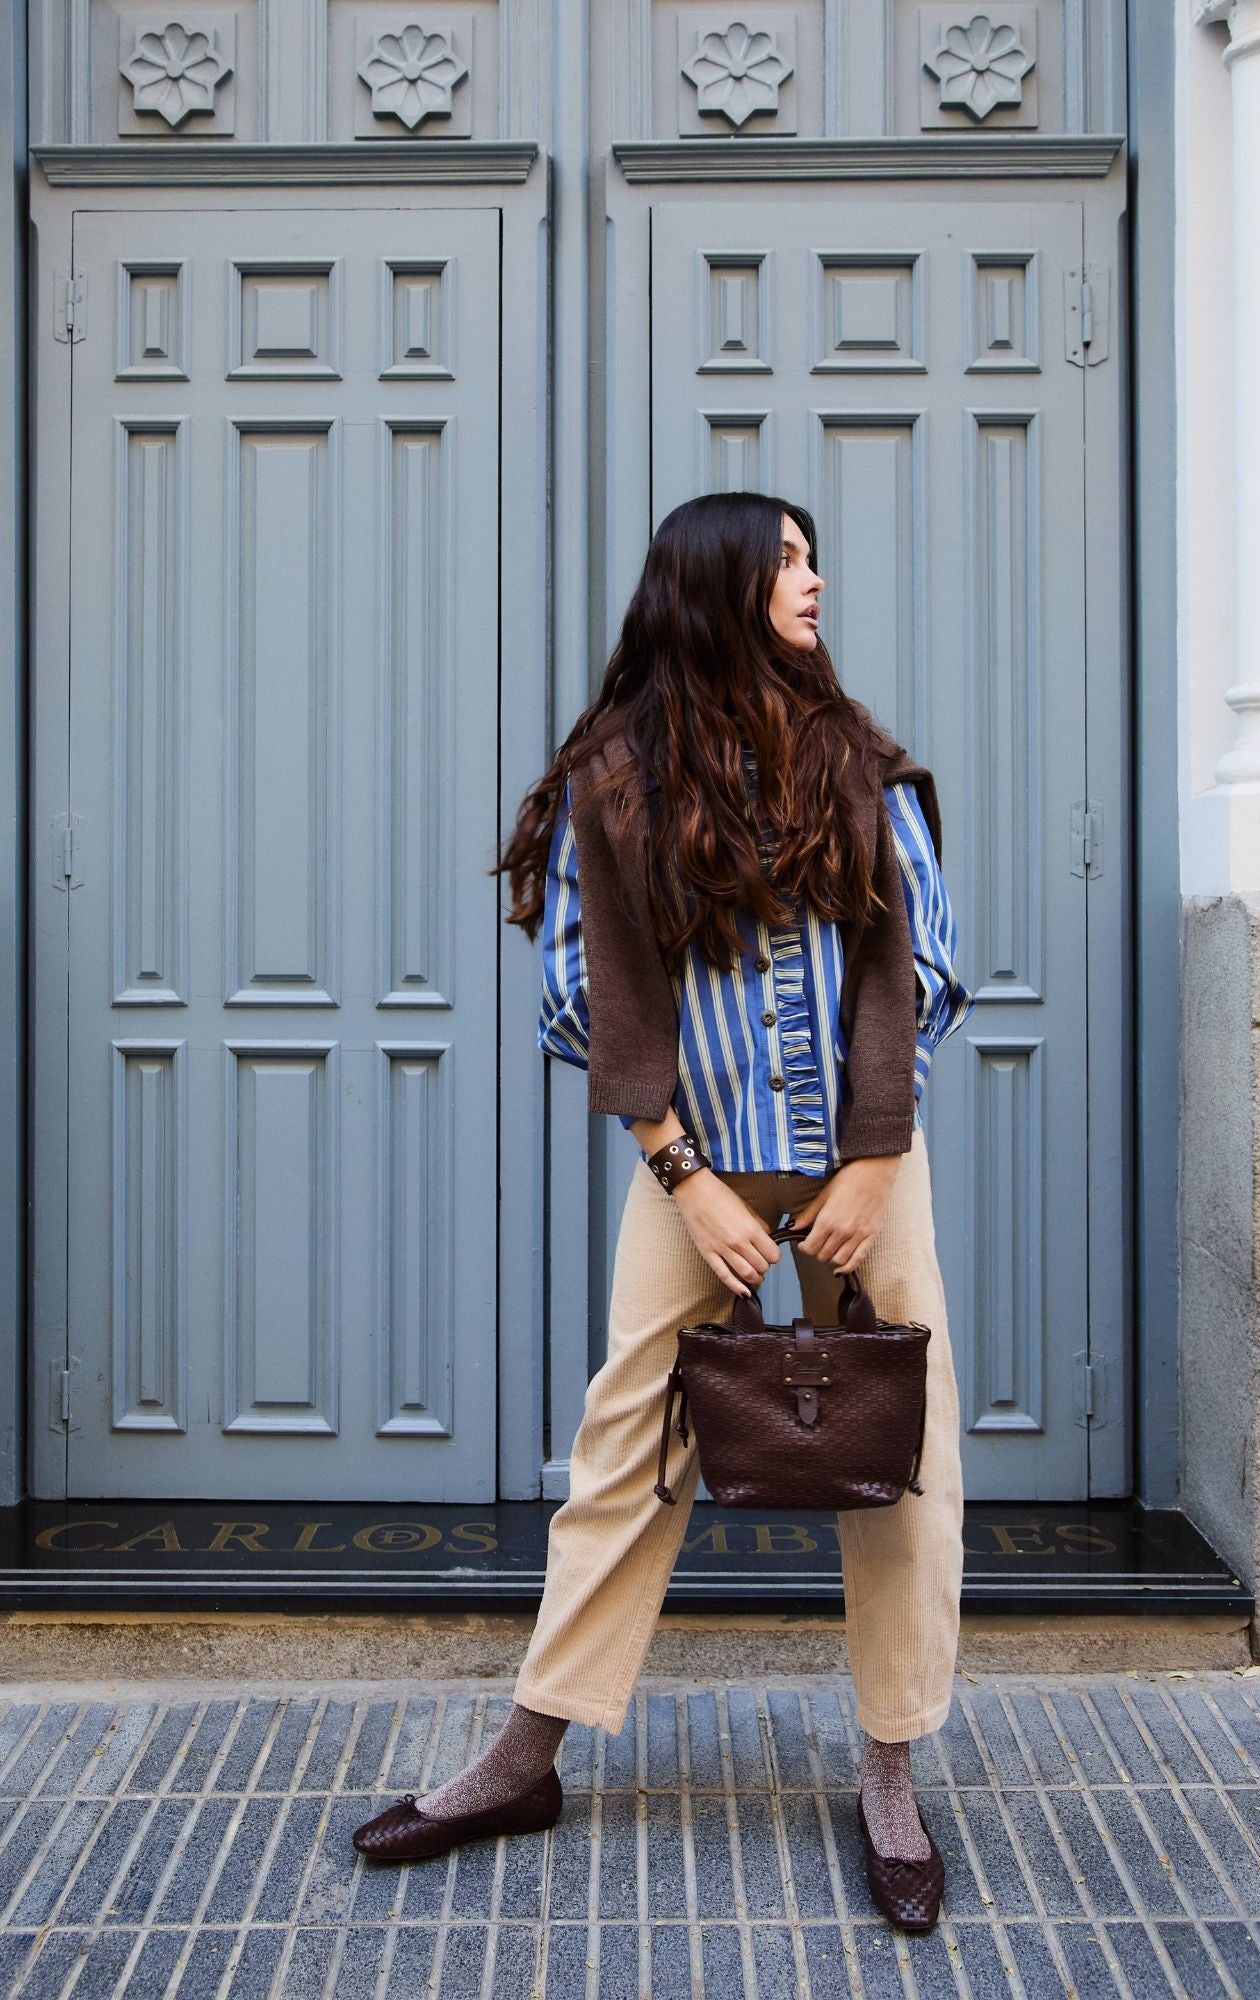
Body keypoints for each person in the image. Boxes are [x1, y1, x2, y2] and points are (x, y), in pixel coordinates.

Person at [352, 491, 975, 1933]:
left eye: (818, 556)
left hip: (864, 1160)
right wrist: (685, 1177)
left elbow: (918, 966)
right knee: (625, 1448)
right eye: (789, 561)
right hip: (691, 1170)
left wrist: (874, 1164)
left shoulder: (856, 760)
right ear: (716, 586)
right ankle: (524, 1756)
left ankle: (889, 1774)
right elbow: (584, 990)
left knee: (901, 1453)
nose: (815, 581)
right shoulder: (615, 777)